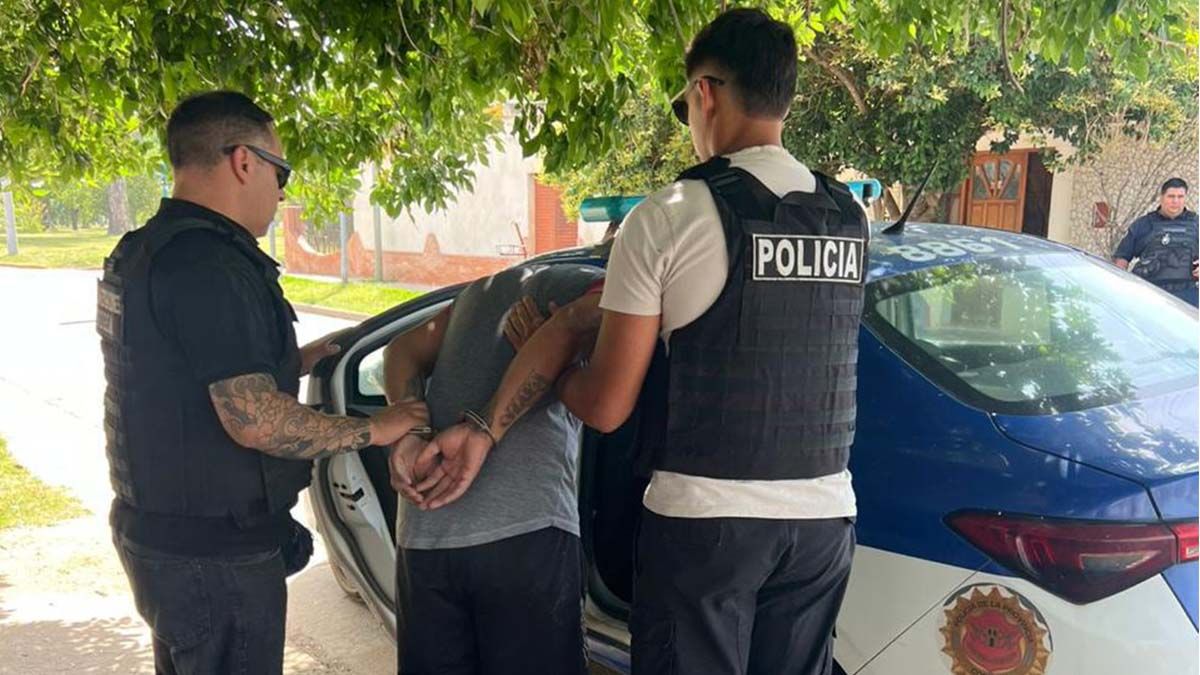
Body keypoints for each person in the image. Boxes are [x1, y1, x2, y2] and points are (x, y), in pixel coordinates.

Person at [415, 9, 866, 675]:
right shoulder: (848, 216)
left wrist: (553, 358)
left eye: (684, 106)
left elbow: (605, 407)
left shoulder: (671, 216)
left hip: (706, 524)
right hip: (824, 524)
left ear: (705, 94)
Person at [97, 90, 428, 675]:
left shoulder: (147, 249)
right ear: (244, 161)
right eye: (281, 172)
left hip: (164, 535)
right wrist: (376, 428)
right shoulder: (210, 264)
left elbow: (182, 373)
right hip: (213, 555)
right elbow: (252, 420)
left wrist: (293, 360)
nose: (281, 192)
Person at [381, 262, 604, 675]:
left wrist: (411, 430)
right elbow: (608, 399)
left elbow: (400, 350)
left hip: (424, 530)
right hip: (524, 533)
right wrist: (561, 364)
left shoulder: (476, 294)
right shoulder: (597, 285)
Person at [1113, 177, 1199, 306]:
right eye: (1171, 196)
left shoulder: (1196, 224)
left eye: (1180, 197)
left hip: (1187, 294)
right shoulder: (1143, 224)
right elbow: (1122, 258)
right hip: (1149, 293)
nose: (1175, 201)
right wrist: (1120, 287)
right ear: (1162, 197)